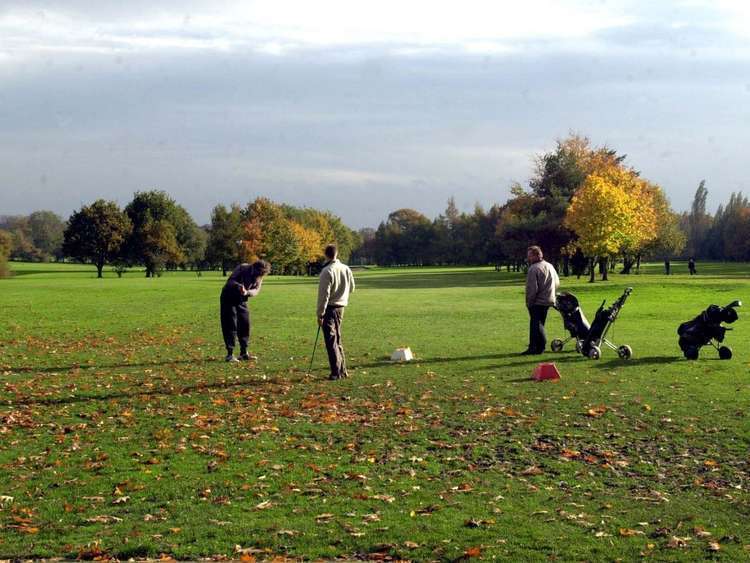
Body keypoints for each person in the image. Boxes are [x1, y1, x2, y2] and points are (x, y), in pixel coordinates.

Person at [317, 244, 355, 380]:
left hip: (330, 308)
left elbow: (323, 296)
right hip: (341, 307)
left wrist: (320, 314)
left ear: (325, 255)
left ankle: (336, 372)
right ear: (337, 253)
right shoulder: (346, 268)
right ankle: (342, 369)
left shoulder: (326, 271)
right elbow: (352, 288)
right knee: (337, 338)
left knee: (331, 340)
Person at [220, 259, 271, 362]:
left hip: (241, 299)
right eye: (259, 272)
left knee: (244, 323)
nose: (260, 275)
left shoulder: (260, 276)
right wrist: (239, 286)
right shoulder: (242, 268)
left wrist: (247, 292)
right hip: (228, 297)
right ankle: (229, 355)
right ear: (254, 268)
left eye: (262, 274)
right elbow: (230, 281)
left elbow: (256, 291)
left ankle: (244, 353)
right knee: (231, 325)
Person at [522, 245, 560, 355]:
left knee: (536, 324)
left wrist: (529, 302)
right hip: (549, 299)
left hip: (538, 301)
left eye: (530, 256)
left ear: (537, 255)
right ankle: (537, 347)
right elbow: (557, 283)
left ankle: (537, 347)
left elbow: (532, 289)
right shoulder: (549, 266)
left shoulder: (534, 269)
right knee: (540, 323)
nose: (528, 258)